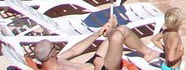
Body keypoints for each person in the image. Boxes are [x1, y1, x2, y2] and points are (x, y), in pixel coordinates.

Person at [29, 16, 160, 70]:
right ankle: (111, 31)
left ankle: (149, 52)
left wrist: (98, 33)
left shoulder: (56, 59)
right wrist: (98, 64)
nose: (56, 48)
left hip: (92, 64)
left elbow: (75, 50)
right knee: (116, 37)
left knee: (122, 29)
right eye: (54, 47)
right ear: (51, 55)